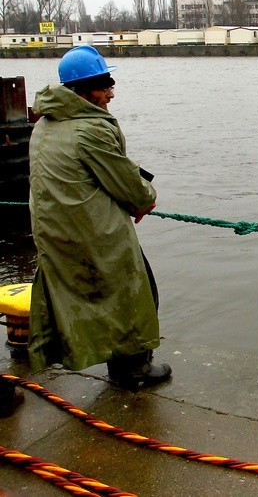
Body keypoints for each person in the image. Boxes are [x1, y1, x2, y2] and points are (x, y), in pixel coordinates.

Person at [27, 45, 171, 390]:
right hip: (93, 232)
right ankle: (132, 370)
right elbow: (128, 186)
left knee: (76, 299)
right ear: (82, 91)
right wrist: (145, 198)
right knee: (134, 290)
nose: (111, 92)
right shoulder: (90, 128)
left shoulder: (45, 124)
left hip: (54, 232)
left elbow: (103, 168)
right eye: (104, 83)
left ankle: (62, 353)